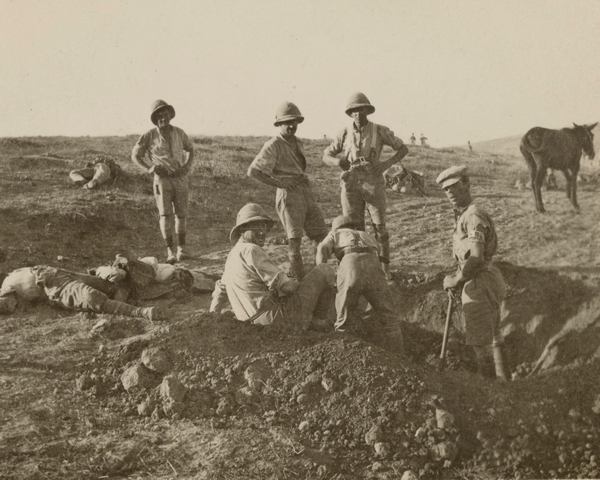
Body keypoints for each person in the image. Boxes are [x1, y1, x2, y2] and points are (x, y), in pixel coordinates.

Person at [322, 92, 408, 281]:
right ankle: (356, 269)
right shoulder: (344, 133)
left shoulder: (379, 130)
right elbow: (326, 155)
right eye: (353, 110)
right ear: (350, 113)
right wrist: (338, 163)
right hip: (351, 183)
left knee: (380, 228)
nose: (357, 114)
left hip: (373, 181)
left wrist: (386, 164)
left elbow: (403, 148)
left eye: (361, 109)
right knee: (353, 229)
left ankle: (385, 271)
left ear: (367, 110)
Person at [209, 203, 335, 330]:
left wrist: (211, 321)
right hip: (274, 320)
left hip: (249, 326)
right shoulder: (252, 250)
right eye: (256, 227)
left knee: (308, 271)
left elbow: (220, 292)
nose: (262, 232)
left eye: (264, 226)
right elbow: (288, 288)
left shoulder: (232, 255)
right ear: (242, 230)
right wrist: (295, 281)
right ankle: (318, 326)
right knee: (325, 270)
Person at [436, 165, 508, 381]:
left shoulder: (473, 215)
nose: (450, 192)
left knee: (481, 344)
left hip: (479, 283)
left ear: (466, 183)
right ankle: (506, 384)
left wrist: (456, 279)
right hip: (484, 279)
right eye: (446, 189)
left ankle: (490, 395)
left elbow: (475, 257)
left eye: (454, 186)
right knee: (494, 336)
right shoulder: (465, 214)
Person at [247, 102, 328, 280]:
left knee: (320, 236)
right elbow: (253, 171)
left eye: (294, 121)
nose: (291, 126)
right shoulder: (273, 145)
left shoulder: (298, 143)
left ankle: (320, 278)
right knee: (295, 242)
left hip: (305, 192)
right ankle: (300, 283)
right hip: (289, 196)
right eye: (287, 122)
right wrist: (280, 183)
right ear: (279, 124)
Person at [315, 215, 404, 353]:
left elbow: (321, 248)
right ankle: (401, 358)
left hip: (351, 264)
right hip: (374, 266)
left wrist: (322, 271)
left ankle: (343, 358)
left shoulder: (335, 233)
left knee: (342, 323)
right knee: (390, 320)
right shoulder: (366, 235)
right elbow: (376, 253)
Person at [131, 100, 195, 264]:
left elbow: (190, 149)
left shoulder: (179, 133)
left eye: (166, 115)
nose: (163, 118)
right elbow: (135, 156)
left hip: (180, 179)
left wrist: (187, 166)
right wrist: (149, 168)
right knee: (165, 215)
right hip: (162, 180)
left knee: (181, 215)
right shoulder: (149, 135)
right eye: (159, 115)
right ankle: (170, 252)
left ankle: (182, 250)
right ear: (155, 118)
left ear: (170, 116)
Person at [0, 265, 158, 320]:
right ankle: (140, 312)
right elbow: (8, 304)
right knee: (98, 294)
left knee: (102, 291)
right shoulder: (9, 281)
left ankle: (133, 308)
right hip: (53, 280)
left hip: (54, 278)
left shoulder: (8, 281)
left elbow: (7, 304)